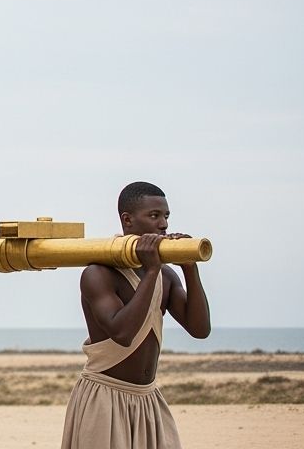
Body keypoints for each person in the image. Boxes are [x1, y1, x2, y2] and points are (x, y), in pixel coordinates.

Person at [60, 181, 210, 449]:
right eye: (154, 216)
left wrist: (190, 269)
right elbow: (123, 333)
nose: (163, 224)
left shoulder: (167, 275)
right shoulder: (98, 274)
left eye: (166, 216)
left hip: (148, 398)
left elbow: (200, 329)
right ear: (127, 220)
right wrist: (151, 271)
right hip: (104, 397)